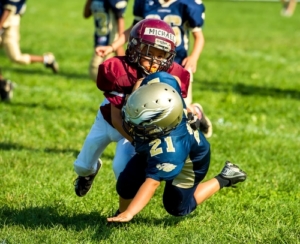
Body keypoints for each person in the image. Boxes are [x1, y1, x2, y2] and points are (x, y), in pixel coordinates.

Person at [73, 18, 196, 197]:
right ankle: (89, 172)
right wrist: (138, 142)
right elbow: (116, 118)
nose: (155, 62)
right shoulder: (119, 70)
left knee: (122, 168)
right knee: (82, 166)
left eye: (161, 55)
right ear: (134, 48)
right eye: (149, 53)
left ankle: (127, 207)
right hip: (111, 120)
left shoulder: (172, 75)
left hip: (138, 126)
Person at [106, 74, 247, 222]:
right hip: (162, 143)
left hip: (191, 161)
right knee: (127, 182)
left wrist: (131, 213)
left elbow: (152, 182)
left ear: (159, 126)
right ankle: (118, 216)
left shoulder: (170, 150)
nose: (132, 125)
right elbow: (170, 78)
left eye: (141, 124)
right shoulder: (165, 92)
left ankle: (225, 177)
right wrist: (138, 92)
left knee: (176, 206)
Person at [94, 0, 212, 138]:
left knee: (178, 109)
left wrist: (194, 57)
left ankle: (196, 112)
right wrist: (112, 47)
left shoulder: (189, 4)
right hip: (146, 64)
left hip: (174, 66)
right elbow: (132, 30)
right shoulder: (145, 2)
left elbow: (199, 37)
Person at [0, 0, 59, 73]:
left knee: (16, 57)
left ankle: (48, 59)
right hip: (4, 22)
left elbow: (9, 9)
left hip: (9, 25)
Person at [83, 0, 128, 82]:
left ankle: (117, 87)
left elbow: (120, 18)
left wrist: (119, 41)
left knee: (95, 69)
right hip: (99, 38)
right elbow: (86, 14)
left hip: (111, 39)